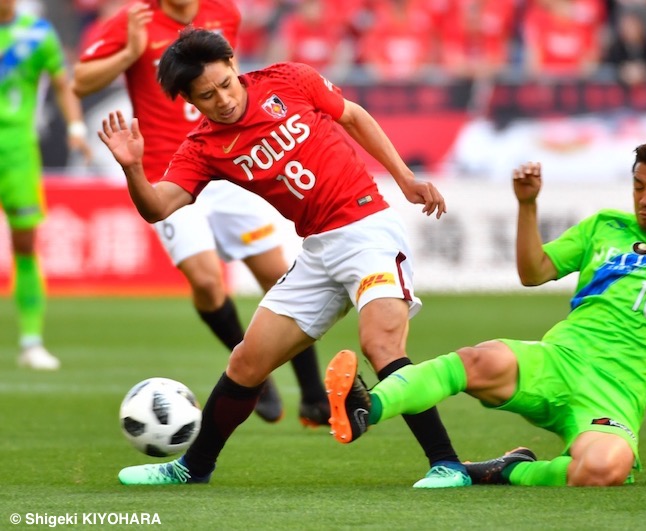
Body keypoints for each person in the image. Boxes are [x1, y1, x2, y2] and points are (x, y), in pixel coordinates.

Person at [99, 27, 469, 489]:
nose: (223, 100)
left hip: (368, 232)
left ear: (234, 64)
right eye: (207, 96)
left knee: (382, 346)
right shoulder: (203, 147)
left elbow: (354, 117)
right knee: (246, 364)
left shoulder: (289, 80)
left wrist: (405, 178)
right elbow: (158, 207)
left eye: (225, 85)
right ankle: (189, 469)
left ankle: (447, 464)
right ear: (191, 102)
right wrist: (133, 167)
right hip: (316, 251)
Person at [326, 139, 646, 487]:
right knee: (476, 359)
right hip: (558, 359)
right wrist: (527, 205)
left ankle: (510, 471)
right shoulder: (605, 226)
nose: (644, 199)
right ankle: (366, 408)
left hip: (615, 394)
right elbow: (533, 271)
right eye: (638, 186)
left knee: (604, 469)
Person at [72, 0, 330, 426]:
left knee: (278, 275)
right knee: (208, 283)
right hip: (169, 173)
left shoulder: (223, 12)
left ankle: (312, 397)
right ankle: (254, 374)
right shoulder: (133, 19)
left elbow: (233, 78)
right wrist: (129, 52)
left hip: (227, 164)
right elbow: (80, 81)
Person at [1, 0, 92, 370]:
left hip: (19, 151)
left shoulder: (37, 34)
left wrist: (75, 127)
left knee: (25, 243)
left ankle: (31, 340)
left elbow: (62, 82)